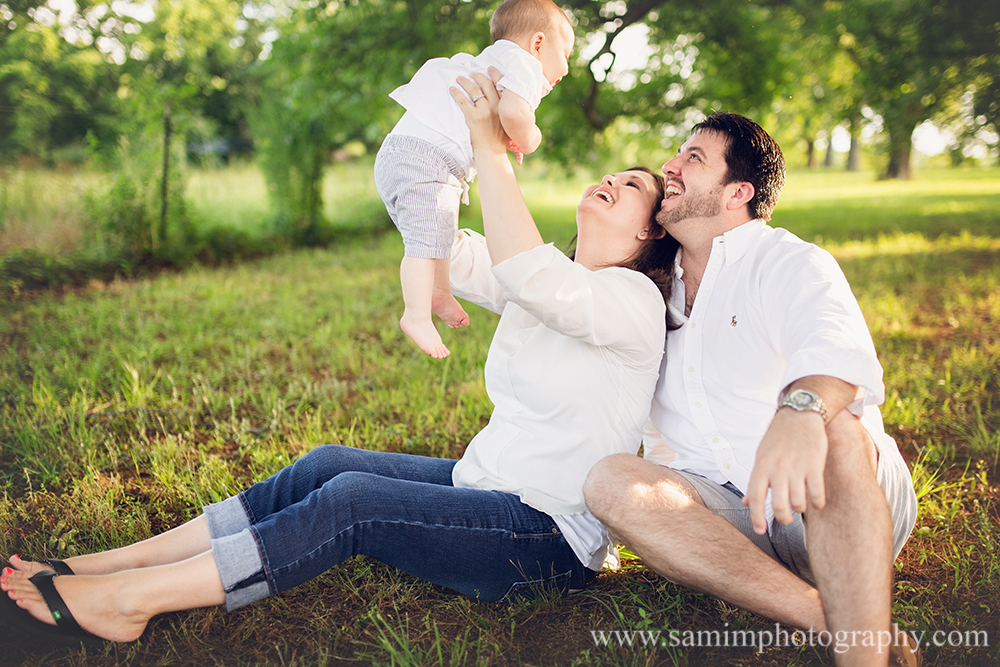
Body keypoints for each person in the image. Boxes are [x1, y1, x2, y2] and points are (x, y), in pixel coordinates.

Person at [0, 71, 677, 647]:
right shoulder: (550, 272)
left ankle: (130, 601)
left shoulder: (634, 301)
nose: (612, 180)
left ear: (651, 232)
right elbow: (441, 243)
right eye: (614, 173)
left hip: (542, 538)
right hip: (483, 485)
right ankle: (95, 566)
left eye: (634, 187)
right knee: (327, 464)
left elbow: (532, 276)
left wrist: (488, 145)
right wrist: (439, 152)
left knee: (351, 502)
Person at [582, 113, 920, 667]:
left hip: (831, 504)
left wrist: (800, 414)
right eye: (677, 154)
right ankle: (824, 617)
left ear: (738, 192)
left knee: (836, 427)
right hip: (729, 528)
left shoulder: (788, 260)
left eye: (693, 158)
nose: (670, 166)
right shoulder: (648, 291)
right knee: (612, 481)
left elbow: (837, 358)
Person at [374, 0, 575, 358]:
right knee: (424, 240)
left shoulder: (492, 61)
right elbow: (514, 111)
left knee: (439, 235)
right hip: (424, 160)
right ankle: (416, 315)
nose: (567, 67)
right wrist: (530, 138)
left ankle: (438, 291)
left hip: (415, 157)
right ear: (539, 43)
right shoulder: (525, 66)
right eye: (567, 52)